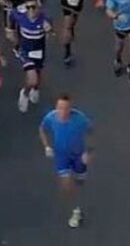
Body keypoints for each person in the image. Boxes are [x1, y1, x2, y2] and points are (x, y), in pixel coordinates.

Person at [39, 93, 93, 229]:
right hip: (61, 156)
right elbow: (42, 129)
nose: (63, 111)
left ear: (70, 108)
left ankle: (78, 187)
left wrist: (89, 151)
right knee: (66, 184)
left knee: (80, 181)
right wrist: (46, 146)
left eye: (66, 108)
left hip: (78, 155)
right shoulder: (50, 118)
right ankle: (76, 211)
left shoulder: (79, 118)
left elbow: (91, 132)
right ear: (56, 107)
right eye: (60, 108)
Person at [8, 0, 53, 112]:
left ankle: (35, 89)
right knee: (33, 78)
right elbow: (11, 14)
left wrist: (49, 30)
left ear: (39, 7)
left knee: (38, 74)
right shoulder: (20, 15)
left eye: (33, 7)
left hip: (39, 51)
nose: (31, 10)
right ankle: (25, 93)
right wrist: (11, 31)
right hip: (25, 51)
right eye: (28, 7)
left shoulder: (45, 19)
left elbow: (51, 32)